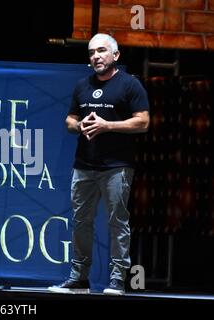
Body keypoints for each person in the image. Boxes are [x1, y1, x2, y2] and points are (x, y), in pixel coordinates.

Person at [48, 33, 149, 295]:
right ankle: (79, 279)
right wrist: (80, 124)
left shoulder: (130, 85)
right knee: (81, 221)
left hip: (117, 166)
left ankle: (117, 279)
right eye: (92, 52)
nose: (96, 56)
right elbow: (69, 120)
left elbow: (143, 122)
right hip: (84, 165)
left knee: (117, 222)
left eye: (102, 51)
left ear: (116, 55)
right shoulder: (82, 85)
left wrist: (107, 126)